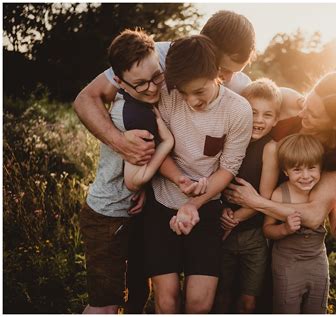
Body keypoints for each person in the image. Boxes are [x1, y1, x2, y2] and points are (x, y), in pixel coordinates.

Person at [73, 11, 257, 313]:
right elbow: (86, 99)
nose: (228, 78)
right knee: (112, 301)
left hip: (163, 198)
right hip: (119, 201)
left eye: (236, 71)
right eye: (223, 68)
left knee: (141, 295)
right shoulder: (154, 57)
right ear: (205, 46)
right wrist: (124, 148)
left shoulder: (235, 89)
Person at [142, 35, 252, 313]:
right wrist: (179, 179)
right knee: (166, 301)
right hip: (161, 204)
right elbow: (158, 149)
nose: (192, 101)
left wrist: (193, 204)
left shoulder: (238, 110)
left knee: (199, 303)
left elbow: (228, 167)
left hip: (206, 208)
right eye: (184, 92)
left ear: (218, 74)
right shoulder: (166, 95)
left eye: (199, 91)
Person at [79, 29, 174, 314]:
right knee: (105, 306)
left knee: (135, 296)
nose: (152, 88)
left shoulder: (141, 103)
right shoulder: (135, 115)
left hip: (127, 213)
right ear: (118, 82)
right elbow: (134, 181)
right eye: (140, 84)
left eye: (157, 77)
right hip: (108, 216)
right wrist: (167, 143)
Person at [225, 71, 336, 239]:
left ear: (335, 125)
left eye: (312, 114)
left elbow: (314, 216)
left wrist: (256, 202)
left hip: (275, 231)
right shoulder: (285, 99)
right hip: (233, 207)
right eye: (306, 102)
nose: (301, 114)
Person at [263, 133, 336, 313]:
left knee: (316, 309)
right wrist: (284, 229)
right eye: (297, 170)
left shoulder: (324, 196)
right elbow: (267, 230)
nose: (305, 176)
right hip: (287, 264)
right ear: (285, 171)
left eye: (312, 168)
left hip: (317, 263)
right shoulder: (280, 194)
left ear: (321, 168)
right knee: (286, 308)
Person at [214, 78, 281, 313]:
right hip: (220, 231)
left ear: (276, 119)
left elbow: (265, 197)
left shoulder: (270, 149)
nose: (259, 120)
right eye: (253, 113)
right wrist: (222, 215)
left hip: (253, 236)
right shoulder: (229, 137)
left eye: (267, 115)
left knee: (248, 300)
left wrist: (235, 219)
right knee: (220, 295)